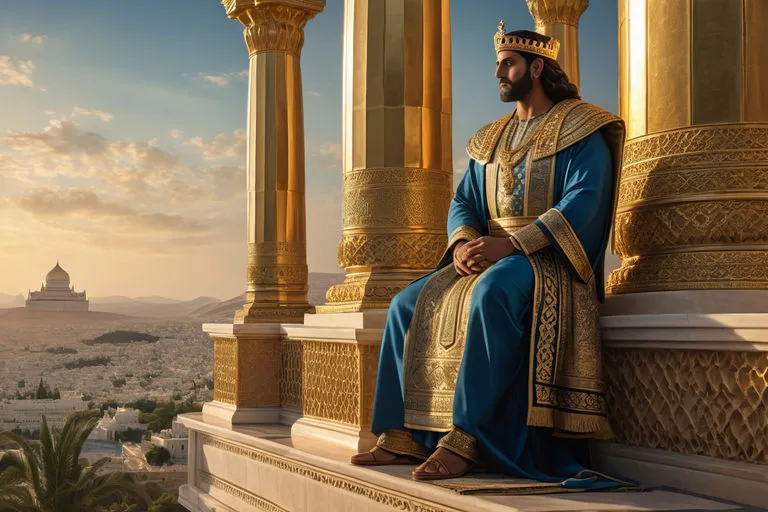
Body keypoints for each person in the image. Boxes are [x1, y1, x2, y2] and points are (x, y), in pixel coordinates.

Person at [351, 22, 626, 486]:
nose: (498, 72)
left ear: (536, 67)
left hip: (545, 258)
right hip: (489, 250)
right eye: (498, 63)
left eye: (508, 64)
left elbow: (586, 199)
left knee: (495, 291)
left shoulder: (583, 127)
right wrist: (462, 243)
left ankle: (468, 438)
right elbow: (464, 202)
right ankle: (403, 433)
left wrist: (512, 245)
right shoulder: (490, 140)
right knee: (405, 303)